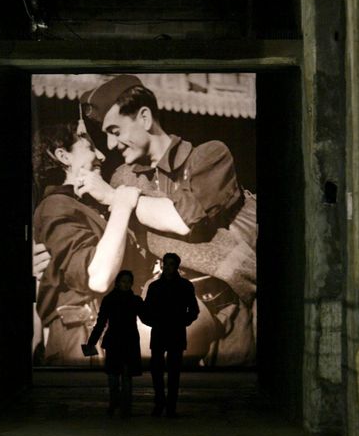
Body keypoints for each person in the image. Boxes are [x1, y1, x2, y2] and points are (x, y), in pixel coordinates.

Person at [77, 74, 258, 366]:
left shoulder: (209, 156)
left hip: (228, 317)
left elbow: (188, 219)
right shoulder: (124, 177)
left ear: (145, 117)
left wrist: (117, 199)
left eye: (115, 130)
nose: (110, 144)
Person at [32, 123, 143, 365]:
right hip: (84, 341)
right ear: (63, 156)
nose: (101, 155)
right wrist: (122, 205)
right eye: (90, 147)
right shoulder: (56, 206)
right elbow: (93, 274)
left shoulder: (83, 206)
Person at [84, 270, 147, 417]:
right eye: (124, 281)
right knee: (118, 375)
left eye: (128, 281)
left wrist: (91, 342)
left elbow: (101, 323)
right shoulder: (126, 300)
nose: (126, 284)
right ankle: (120, 405)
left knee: (121, 375)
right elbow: (101, 323)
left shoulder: (115, 299)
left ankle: (120, 405)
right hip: (122, 340)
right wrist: (92, 342)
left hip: (120, 340)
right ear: (118, 282)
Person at [144, 253, 198, 417]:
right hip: (164, 331)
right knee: (159, 371)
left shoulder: (184, 286)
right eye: (165, 264)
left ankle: (168, 405)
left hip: (172, 332)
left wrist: (183, 322)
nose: (167, 267)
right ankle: (162, 403)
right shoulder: (156, 287)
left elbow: (194, 310)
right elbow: (146, 311)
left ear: (176, 266)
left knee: (172, 372)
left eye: (171, 264)